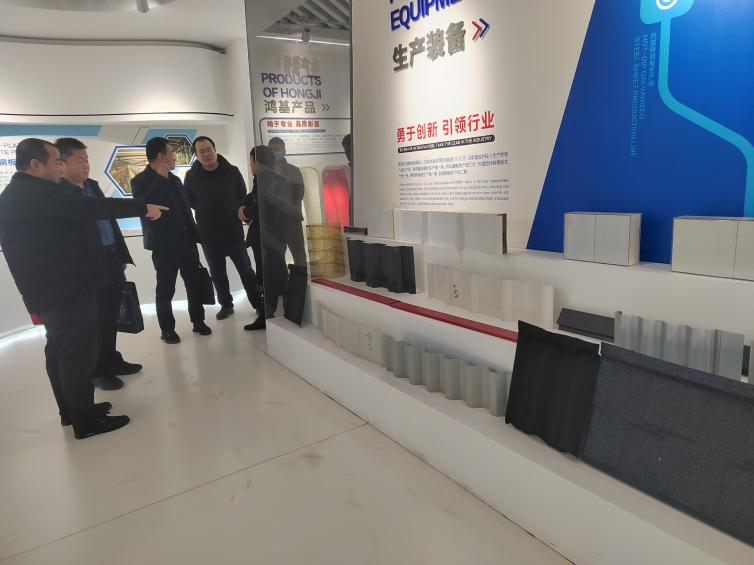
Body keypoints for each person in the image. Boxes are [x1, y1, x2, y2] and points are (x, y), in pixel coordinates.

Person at [0, 138, 166, 439]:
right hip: (65, 289)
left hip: (50, 289)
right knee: (77, 355)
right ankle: (85, 422)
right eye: (56, 162)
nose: (60, 167)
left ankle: (72, 411)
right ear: (35, 165)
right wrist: (142, 207)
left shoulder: (16, 194)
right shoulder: (39, 193)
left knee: (60, 351)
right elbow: (92, 208)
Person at [56, 137, 143, 391]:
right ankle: (97, 370)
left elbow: (110, 222)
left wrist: (122, 256)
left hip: (111, 258)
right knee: (94, 319)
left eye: (86, 159)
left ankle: (111, 359)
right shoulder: (61, 194)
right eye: (79, 160)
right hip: (88, 265)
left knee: (111, 314)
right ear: (62, 163)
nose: (85, 164)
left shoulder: (92, 185)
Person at [131, 137, 212, 344]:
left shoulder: (176, 180)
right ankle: (167, 329)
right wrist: (160, 178)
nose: (174, 157)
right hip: (163, 246)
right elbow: (144, 205)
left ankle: (198, 321)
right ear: (161, 156)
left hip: (186, 242)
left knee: (194, 284)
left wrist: (198, 237)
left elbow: (186, 211)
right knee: (166, 288)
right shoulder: (139, 181)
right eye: (172, 153)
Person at [184, 136, 264, 330]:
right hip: (208, 233)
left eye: (209, 149)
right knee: (217, 273)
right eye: (201, 151)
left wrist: (237, 211)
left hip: (233, 230)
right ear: (196, 155)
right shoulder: (191, 176)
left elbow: (241, 194)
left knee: (246, 269)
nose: (206, 154)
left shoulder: (232, 171)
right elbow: (190, 200)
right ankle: (226, 304)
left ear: (215, 149)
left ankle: (257, 303)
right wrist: (206, 212)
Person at [268, 137, 306, 268]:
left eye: (277, 149)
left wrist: (288, 205)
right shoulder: (265, 172)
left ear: (284, 151)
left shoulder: (294, 170)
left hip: (292, 220)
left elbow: (300, 192)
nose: (274, 153)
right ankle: (282, 279)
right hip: (273, 221)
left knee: (299, 255)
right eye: (271, 150)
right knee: (277, 257)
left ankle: (300, 279)